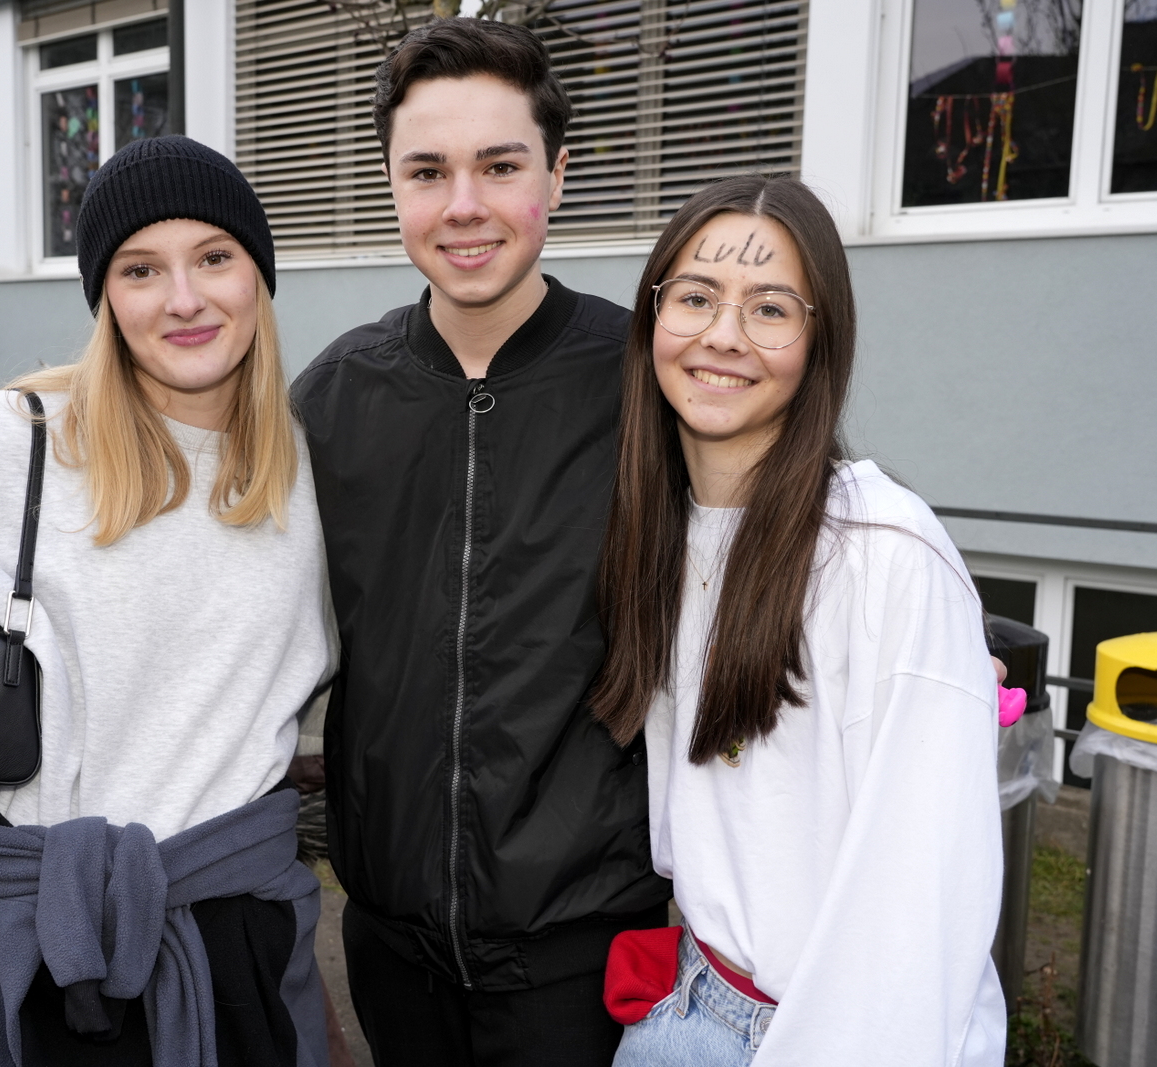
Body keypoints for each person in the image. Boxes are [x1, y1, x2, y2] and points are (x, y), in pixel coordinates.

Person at [0, 137, 337, 1067]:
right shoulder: (17, 445)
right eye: (141, 268)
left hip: (237, 951)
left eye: (214, 256)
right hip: (33, 955)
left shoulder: (307, 472)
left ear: (258, 275)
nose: (184, 298)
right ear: (105, 295)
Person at [290, 19, 671, 1067]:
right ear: (392, 184)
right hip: (390, 949)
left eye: (500, 166)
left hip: (588, 953)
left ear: (558, 173)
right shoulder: (332, 398)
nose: (463, 205)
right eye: (427, 171)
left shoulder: (648, 384)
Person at [593, 175, 1005, 1066]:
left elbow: (925, 906)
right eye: (695, 296)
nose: (723, 334)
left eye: (770, 308)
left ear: (821, 342)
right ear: (652, 316)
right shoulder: (662, 529)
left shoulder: (884, 552)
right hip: (688, 1004)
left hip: (826, 1034)